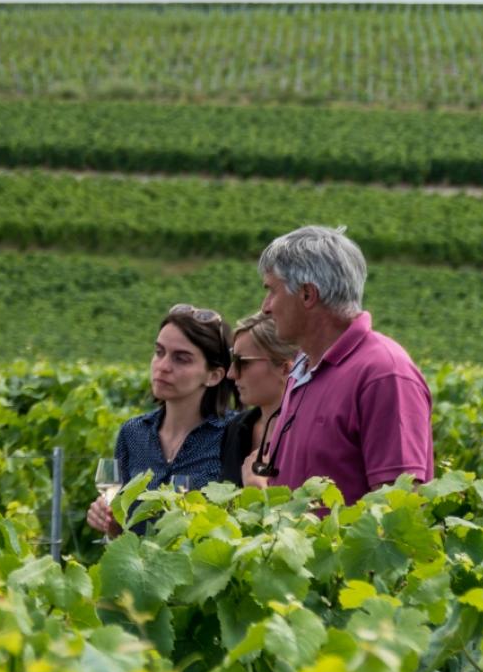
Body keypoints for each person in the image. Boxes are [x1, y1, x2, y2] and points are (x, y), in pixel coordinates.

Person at [255, 225, 433, 501]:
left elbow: (400, 508)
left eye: (272, 291)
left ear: (307, 295)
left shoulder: (385, 373)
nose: (265, 307)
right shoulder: (303, 367)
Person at [87, 304, 233, 537]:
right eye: (159, 352)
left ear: (214, 375)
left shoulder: (233, 435)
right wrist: (110, 525)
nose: (163, 366)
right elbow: (122, 533)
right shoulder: (132, 433)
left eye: (181, 359)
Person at [222, 311, 298, 487]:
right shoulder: (236, 429)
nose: (231, 374)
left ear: (285, 368)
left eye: (244, 363)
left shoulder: (312, 435)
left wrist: (259, 492)